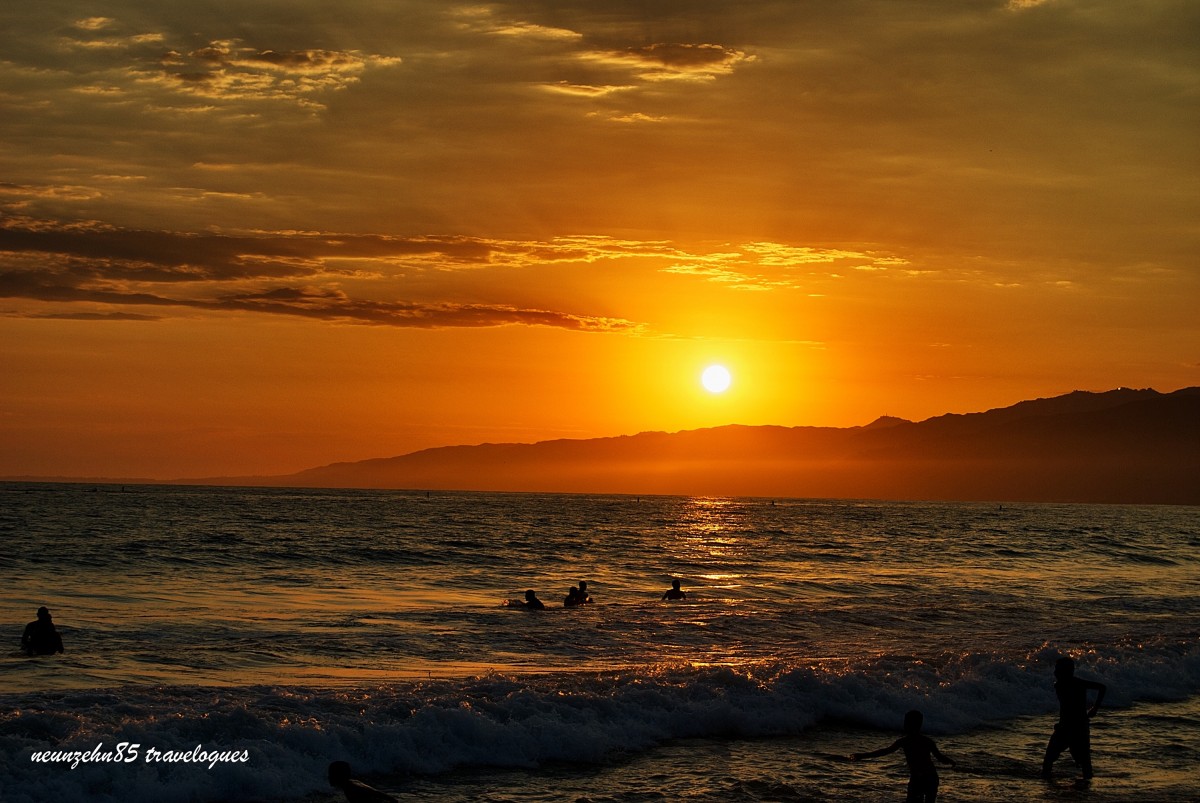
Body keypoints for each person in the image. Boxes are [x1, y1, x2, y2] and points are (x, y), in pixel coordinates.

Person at [850, 710, 954, 803]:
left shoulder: (905, 741)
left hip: (921, 779)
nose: (904, 725)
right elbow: (940, 758)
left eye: (906, 722)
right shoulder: (927, 741)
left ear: (909, 725)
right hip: (930, 778)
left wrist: (862, 756)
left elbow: (885, 751)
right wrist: (951, 762)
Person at [1041, 656, 1106, 780]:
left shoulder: (1077, 683)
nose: (1055, 672)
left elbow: (1102, 687)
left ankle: (1085, 790)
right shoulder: (1059, 685)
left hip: (1078, 728)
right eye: (1056, 669)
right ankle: (1047, 785)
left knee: (1084, 762)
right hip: (1065, 727)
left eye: (1058, 670)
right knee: (1049, 758)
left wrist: (1095, 708)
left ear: (1067, 671)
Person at [327, 761, 398, 803]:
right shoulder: (352, 783)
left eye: (331, 774)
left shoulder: (351, 790)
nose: (329, 777)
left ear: (339, 776)